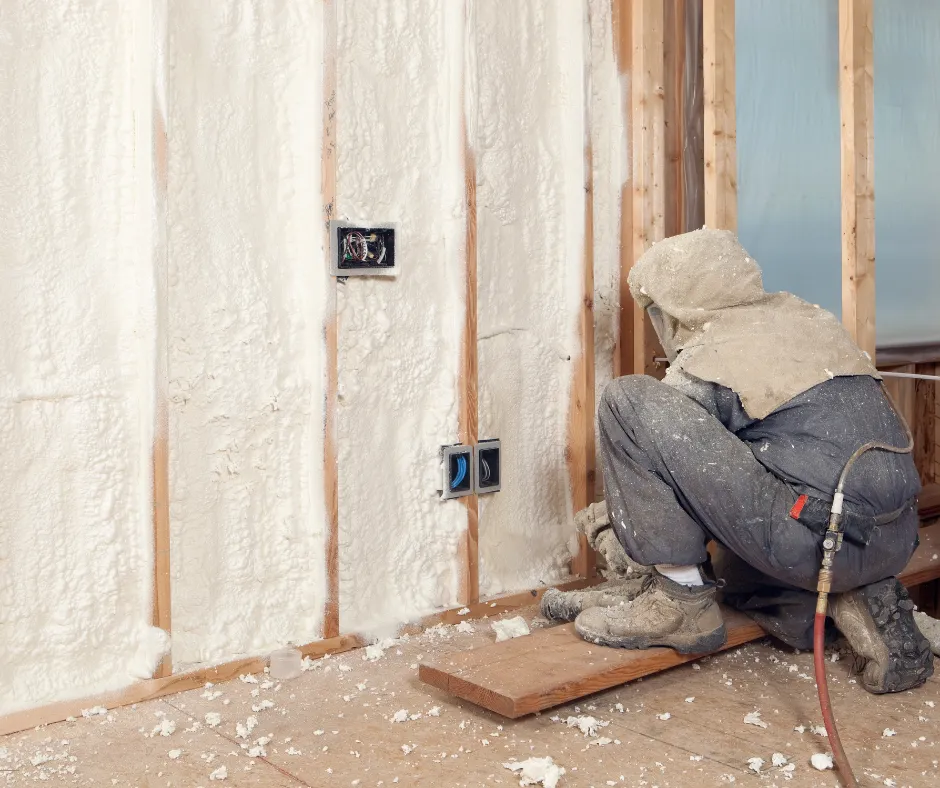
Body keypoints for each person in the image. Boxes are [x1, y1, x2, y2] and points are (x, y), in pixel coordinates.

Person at [541, 228, 933, 694]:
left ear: (676, 307)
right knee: (732, 577)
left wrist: (618, 531)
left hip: (815, 539)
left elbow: (663, 461)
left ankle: (679, 603)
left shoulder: (715, 355)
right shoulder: (809, 321)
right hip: (890, 537)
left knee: (628, 401)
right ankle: (855, 597)